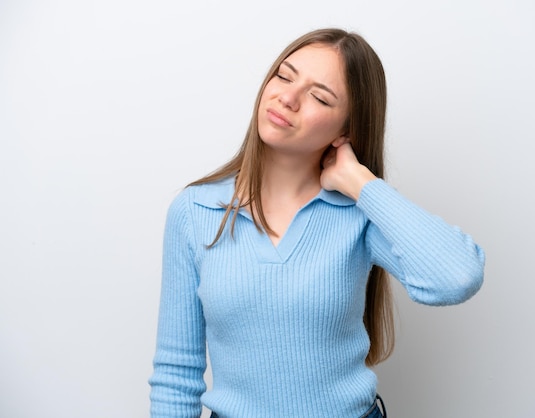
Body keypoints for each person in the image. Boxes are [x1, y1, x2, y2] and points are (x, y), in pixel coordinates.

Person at [149, 28, 485, 418]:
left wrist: (361, 183)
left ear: (346, 129)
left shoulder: (361, 213)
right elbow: (177, 373)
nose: (287, 98)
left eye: (319, 96)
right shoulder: (195, 211)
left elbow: (456, 277)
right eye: (284, 75)